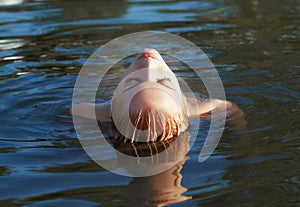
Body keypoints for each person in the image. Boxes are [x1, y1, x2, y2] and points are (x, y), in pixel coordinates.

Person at [71, 48, 246, 142]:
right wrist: (241, 134)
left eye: (132, 82)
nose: (148, 67)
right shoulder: (192, 109)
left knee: (110, 67)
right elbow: (225, 106)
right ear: (183, 104)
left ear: (113, 101)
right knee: (171, 62)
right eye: (163, 81)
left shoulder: (104, 111)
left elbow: (75, 111)